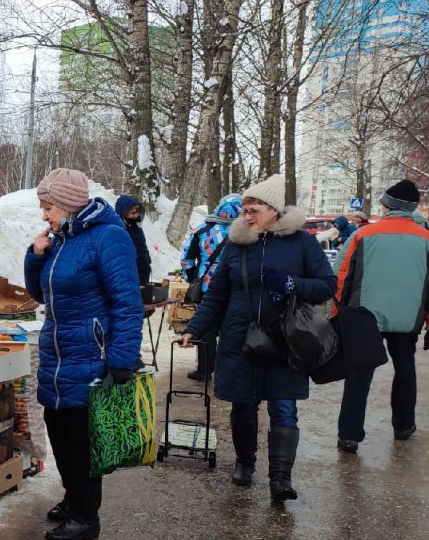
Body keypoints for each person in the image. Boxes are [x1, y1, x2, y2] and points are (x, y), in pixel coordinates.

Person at [180, 174, 337, 501]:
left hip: (286, 339)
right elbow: (216, 294)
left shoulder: (303, 243)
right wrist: (195, 327)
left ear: (274, 210)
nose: (247, 214)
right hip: (240, 339)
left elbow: (326, 285)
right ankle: (244, 461)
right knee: (243, 405)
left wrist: (292, 283)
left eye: (254, 209)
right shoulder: (237, 245)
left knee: (284, 406)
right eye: (245, 209)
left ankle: (281, 477)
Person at [24, 168, 145, 540]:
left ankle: (85, 516)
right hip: (59, 356)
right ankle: (73, 496)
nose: (45, 215)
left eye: (49, 207)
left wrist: (122, 358)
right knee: (60, 432)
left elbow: (128, 302)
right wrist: (35, 254)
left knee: (81, 441)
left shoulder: (109, 237)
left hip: (90, 355)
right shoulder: (61, 239)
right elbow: (42, 294)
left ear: (68, 204)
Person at [333, 179, 429, 452]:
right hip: (409, 317)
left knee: (359, 373)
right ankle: (404, 425)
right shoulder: (426, 239)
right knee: (405, 369)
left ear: (387, 206)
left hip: (365, 316)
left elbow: (341, 275)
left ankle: (349, 434)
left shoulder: (363, 235)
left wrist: (336, 311)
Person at [179, 194, 242, 380]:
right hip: (235, 288)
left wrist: (192, 279)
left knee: (206, 328)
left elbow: (187, 259)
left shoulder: (202, 230)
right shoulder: (244, 232)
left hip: (208, 287)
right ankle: (230, 372)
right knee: (232, 331)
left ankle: (204, 370)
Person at [115, 194, 152, 285]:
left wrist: (148, 261)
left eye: (137, 212)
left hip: (143, 273)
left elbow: (143, 248)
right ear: (123, 212)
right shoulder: (119, 230)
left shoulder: (137, 228)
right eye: (132, 213)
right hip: (128, 276)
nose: (136, 215)